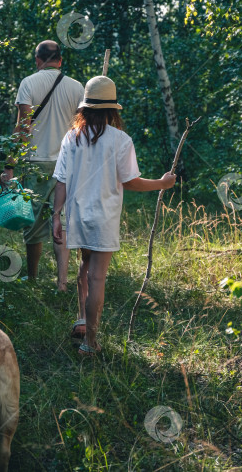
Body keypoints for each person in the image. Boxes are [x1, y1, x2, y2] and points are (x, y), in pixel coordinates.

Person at [51, 76, 176, 356]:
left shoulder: (72, 137)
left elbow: (61, 180)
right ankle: (90, 342)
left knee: (84, 267)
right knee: (97, 277)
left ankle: (83, 321)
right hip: (103, 218)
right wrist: (161, 183)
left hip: (78, 215)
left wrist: (56, 215)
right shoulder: (120, 140)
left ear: (85, 108)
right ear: (111, 109)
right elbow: (130, 181)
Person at [1, 40, 84, 292]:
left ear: (38, 60)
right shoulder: (77, 87)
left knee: (34, 224)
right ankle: (62, 283)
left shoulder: (28, 83)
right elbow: (83, 127)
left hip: (35, 163)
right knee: (63, 222)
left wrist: (9, 164)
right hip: (67, 164)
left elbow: (23, 126)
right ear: (60, 60)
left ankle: (33, 278)